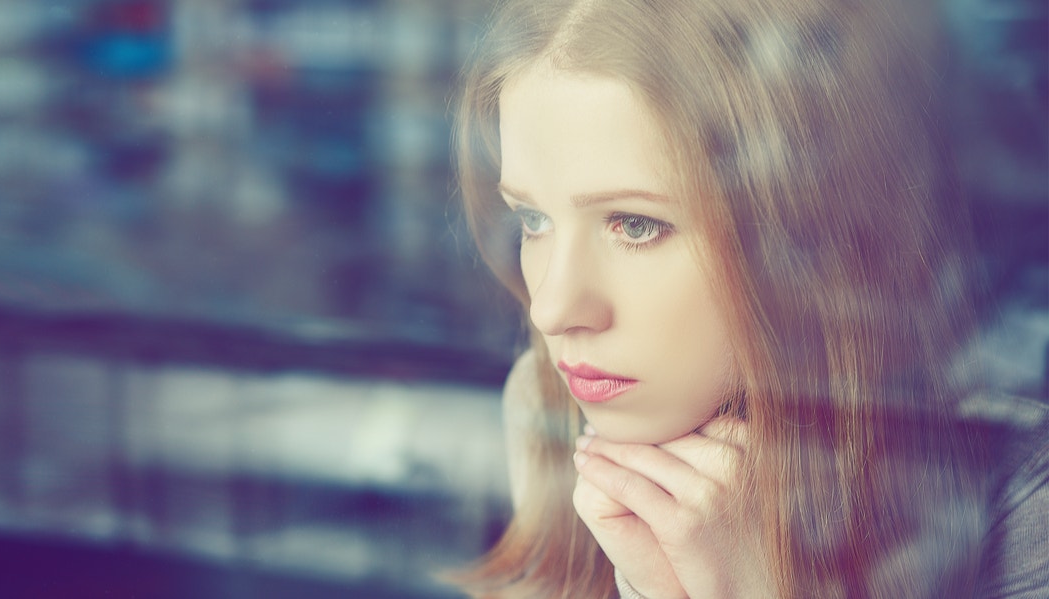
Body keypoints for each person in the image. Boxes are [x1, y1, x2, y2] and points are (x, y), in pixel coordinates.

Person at [449, 0, 1049, 597]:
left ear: (806, 234)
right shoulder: (546, 407)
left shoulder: (1019, 494)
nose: (551, 308)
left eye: (635, 225)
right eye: (532, 219)